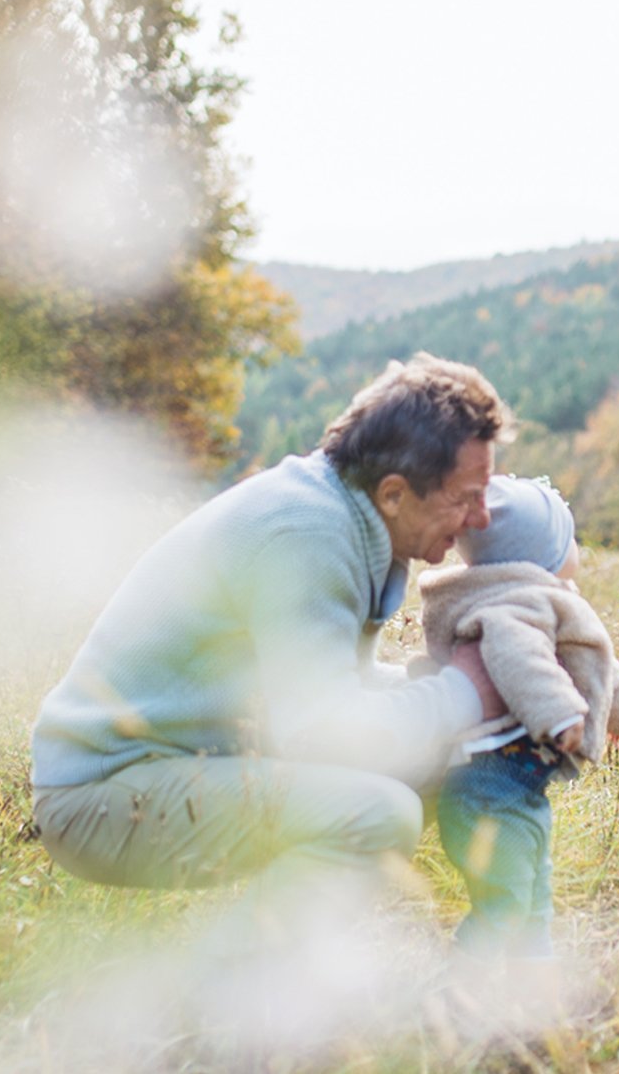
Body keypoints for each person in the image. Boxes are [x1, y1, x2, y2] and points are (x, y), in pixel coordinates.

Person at [30, 353, 512, 922]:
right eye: (465, 497)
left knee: (452, 757)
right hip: (105, 790)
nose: (480, 518)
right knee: (381, 813)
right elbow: (322, 734)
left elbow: (328, 687)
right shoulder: (306, 534)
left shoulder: (346, 515)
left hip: (180, 764)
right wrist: (462, 692)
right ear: (394, 494)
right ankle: (234, 991)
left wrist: (445, 682)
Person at [417, 474, 619, 966]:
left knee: (532, 892)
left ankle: (534, 985)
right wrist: (560, 713)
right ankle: (463, 993)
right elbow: (519, 656)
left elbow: (600, 673)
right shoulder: (513, 605)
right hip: (489, 786)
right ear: (538, 555)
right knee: (503, 903)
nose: (575, 548)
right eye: (568, 539)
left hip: (515, 791)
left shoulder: (546, 599)